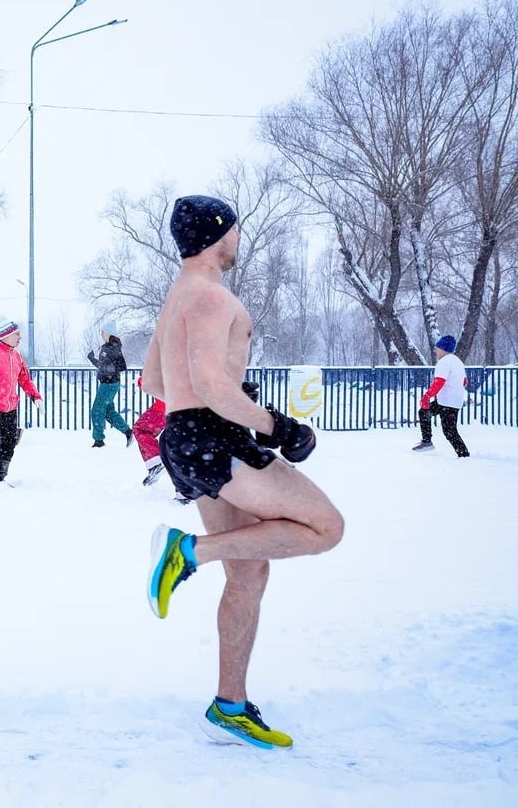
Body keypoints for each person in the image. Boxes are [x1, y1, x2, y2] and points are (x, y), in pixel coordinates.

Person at [141, 195, 344, 750]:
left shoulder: (177, 298)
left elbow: (154, 384)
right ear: (216, 234)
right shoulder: (211, 296)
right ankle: (188, 552)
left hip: (187, 439)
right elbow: (208, 385)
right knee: (327, 527)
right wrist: (275, 425)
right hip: (212, 436)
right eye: (234, 228)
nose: (238, 237)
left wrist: (234, 398)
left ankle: (229, 704)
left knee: (249, 572)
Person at [0, 319, 41, 484]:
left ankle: (1, 477)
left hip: (10, 408)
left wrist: (36, 396)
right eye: (17, 334)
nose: (20, 338)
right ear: (8, 335)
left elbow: (24, 379)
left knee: (9, 443)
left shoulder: (16, 355)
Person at [412, 335, 470, 457]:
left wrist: (427, 396)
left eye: (437, 348)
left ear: (443, 349)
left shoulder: (444, 362)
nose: (435, 351)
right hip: (452, 400)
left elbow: (439, 382)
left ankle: (464, 455)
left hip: (447, 402)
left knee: (449, 431)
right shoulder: (457, 361)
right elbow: (465, 381)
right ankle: (427, 441)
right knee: (424, 412)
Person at [88, 320, 132, 448]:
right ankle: (128, 432)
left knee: (97, 410)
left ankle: (98, 441)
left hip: (109, 384)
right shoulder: (109, 346)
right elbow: (103, 366)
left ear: (108, 332)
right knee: (107, 412)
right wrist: (93, 359)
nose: (101, 334)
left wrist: (107, 369)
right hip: (109, 383)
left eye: (102, 332)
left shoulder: (112, 347)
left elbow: (121, 366)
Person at [132, 376, 168, 486]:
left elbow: (154, 378)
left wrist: (140, 381)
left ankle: (155, 463)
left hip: (166, 406)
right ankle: (184, 495)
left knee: (141, 429)